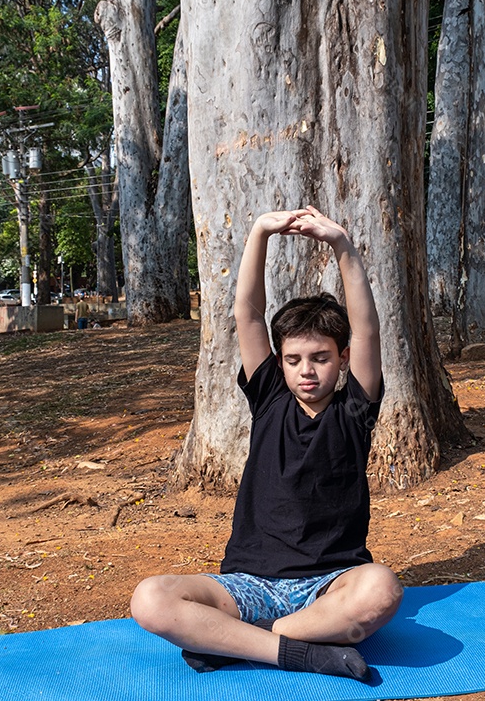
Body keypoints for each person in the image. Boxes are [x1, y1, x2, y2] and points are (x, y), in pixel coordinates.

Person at [129, 206, 400, 681]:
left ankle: (239, 643)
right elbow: (247, 314)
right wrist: (259, 231)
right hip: (248, 583)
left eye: (321, 358)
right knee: (151, 599)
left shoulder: (355, 410)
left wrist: (341, 243)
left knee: (382, 590)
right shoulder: (271, 397)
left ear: (344, 359)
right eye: (294, 359)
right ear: (280, 362)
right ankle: (300, 652)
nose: (307, 370)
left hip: (329, 586)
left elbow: (368, 328)